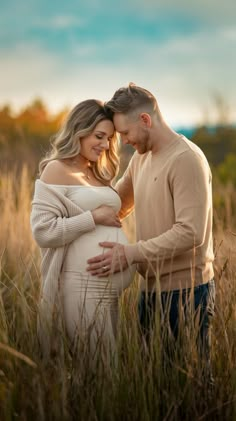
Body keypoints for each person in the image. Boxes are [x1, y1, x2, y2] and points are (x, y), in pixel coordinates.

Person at [87, 83, 215, 368]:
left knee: (189, 387)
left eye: (125, 133)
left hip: (187, 294)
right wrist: (76, 213)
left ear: (145, 120)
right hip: (150, 292)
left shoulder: (186, 160)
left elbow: (190, 232)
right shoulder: (140, 159)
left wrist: (130, 254)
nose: (124, 141)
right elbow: (118, 202)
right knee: (156, 383)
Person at [30, 99, 135, 359]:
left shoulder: (96, 173)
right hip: (80, 287)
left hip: (106, 290)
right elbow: (43, 231)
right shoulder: (56, 170)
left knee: (104, 373)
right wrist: (93, 217)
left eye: (109, 138)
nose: (105, 144)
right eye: (99, 136)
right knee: (99, 374)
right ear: (79, 130)